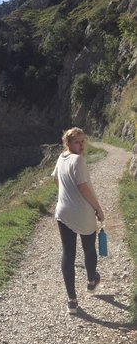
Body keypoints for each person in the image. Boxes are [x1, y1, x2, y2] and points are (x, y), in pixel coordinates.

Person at [52, 127, 105, 314]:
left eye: (83, 141)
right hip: (82, 212)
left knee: (68, 253)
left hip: (63, 213)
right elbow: (83, 188)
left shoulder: (61, 158)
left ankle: (72, 301)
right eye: (77, 142)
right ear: (68, 143)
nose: (81, 145)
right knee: (89, 247)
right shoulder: (78, 160)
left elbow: (56, 179)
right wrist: (98, 209)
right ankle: (91, 281)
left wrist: (63, 197)